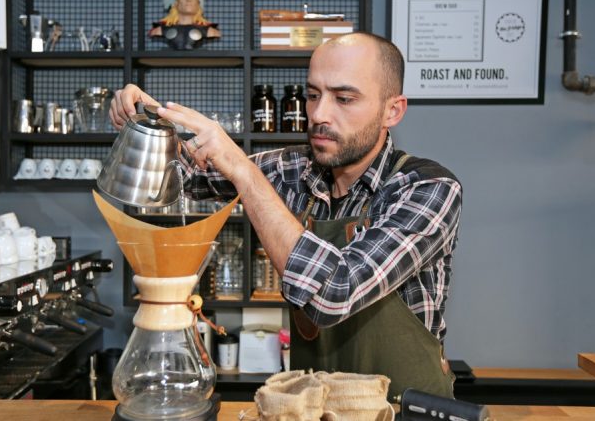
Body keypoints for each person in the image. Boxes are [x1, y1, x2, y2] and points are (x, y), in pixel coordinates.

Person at [109, 32, 462, 400]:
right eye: (313, 95)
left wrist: (244, 173)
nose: (319, 115)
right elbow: (180, 178)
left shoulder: (428, 188)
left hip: (406, 409)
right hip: (315, 406)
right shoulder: (294, 169)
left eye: (344, 98)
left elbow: (335, 293)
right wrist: (148, 123)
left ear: (393, 110)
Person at [148, 0, 220, 50]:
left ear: (198, 5)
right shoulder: (160, 30)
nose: (188, 0)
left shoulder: (210, 31)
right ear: (176, 4)